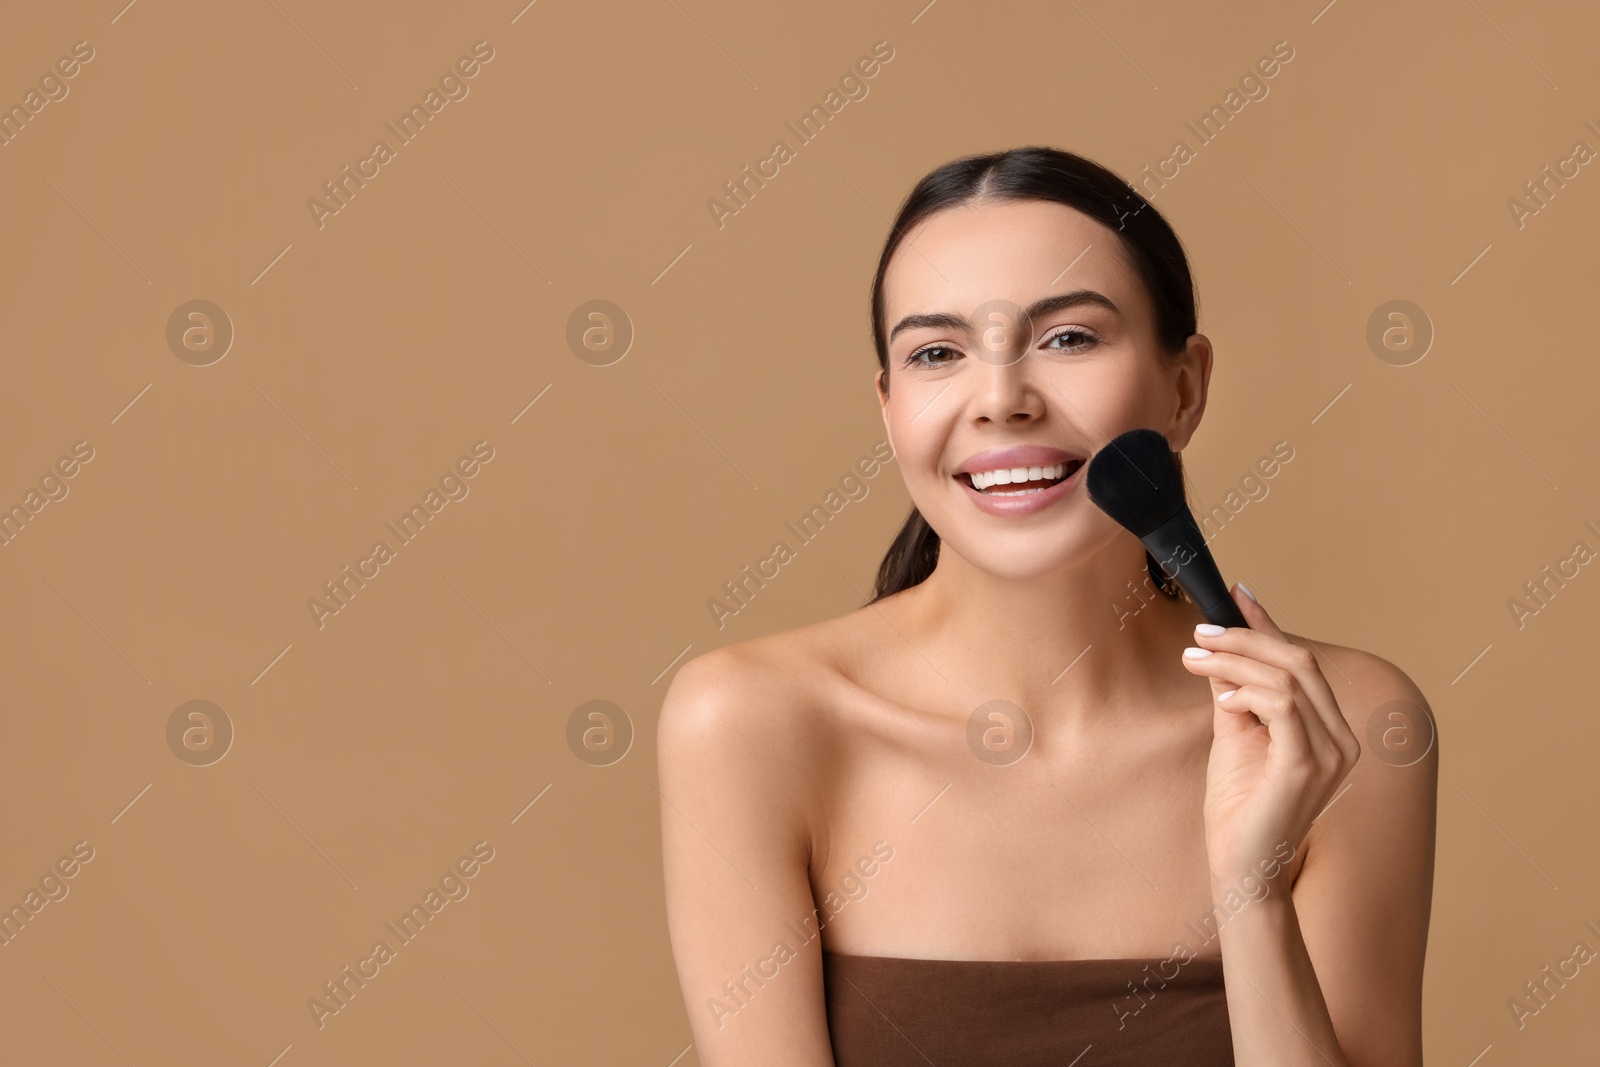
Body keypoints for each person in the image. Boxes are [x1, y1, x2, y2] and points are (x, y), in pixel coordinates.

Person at [658, 145, 1438, 1066]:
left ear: (1184, 388)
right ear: (889, 408)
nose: (1000, 401)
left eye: (1068, 337)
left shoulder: (1343, 726)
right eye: (937, 353)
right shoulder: (751, 722)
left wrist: (1250, 891)